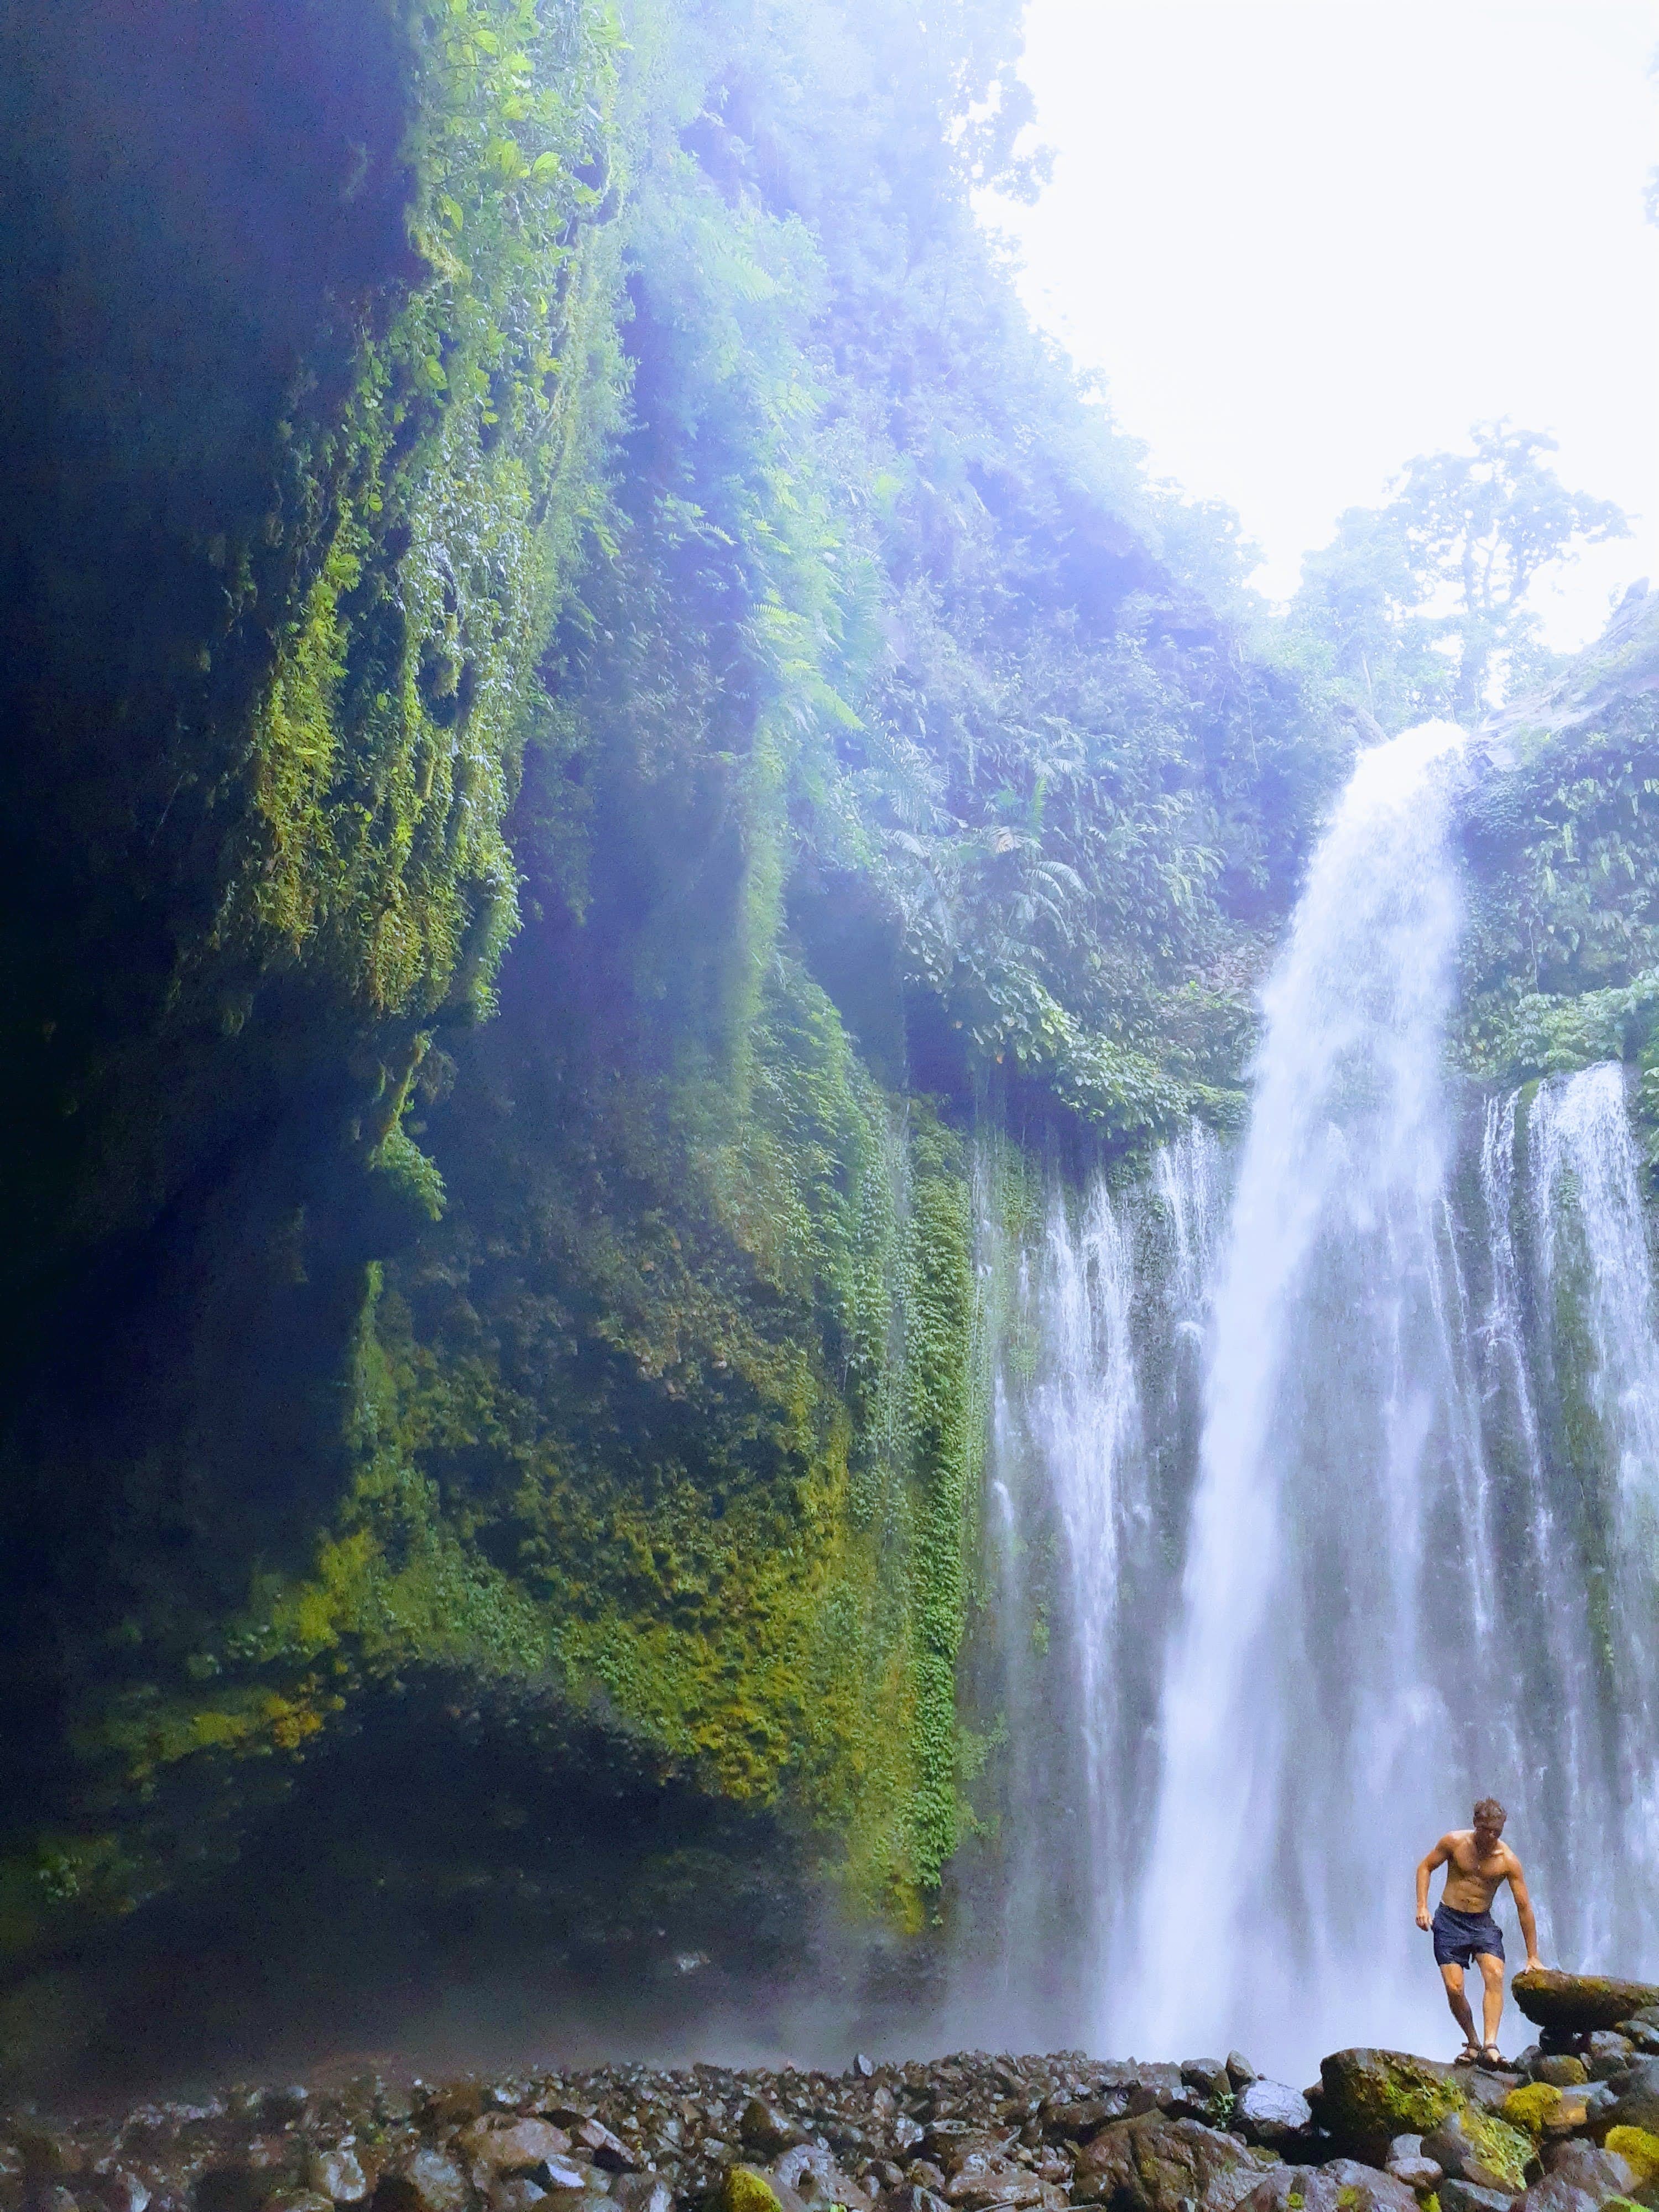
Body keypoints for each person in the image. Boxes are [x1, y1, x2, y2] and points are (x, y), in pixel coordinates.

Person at [1415, 1797, 1543, 2064]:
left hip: (1482, 1923)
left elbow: (1524, 1908)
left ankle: (1490, 2045)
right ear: (1476, 1823)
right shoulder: (1454, 1842)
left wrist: (1533, 1956)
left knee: (1495, 1974)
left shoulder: (1507, 1860)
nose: (1491, 1836)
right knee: (1454, 1988)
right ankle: (1472, 2041)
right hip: (1449, 1920)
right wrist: (1422, 1906)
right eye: (1486, 1829)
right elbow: (1426, 1867)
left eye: (1497, 1831)